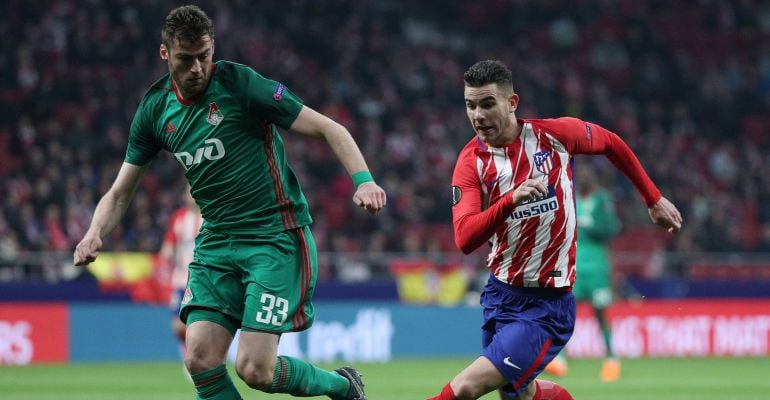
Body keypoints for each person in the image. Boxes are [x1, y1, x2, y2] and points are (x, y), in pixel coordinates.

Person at [73, 5, 386, 400]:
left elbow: (329, 127)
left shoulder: (241, 85)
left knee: (255, 369)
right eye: (186, 59)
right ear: (165, 53)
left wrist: (364, 180)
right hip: (216, 243)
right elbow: (120, 192)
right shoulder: (154, 111)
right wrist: (93, 233)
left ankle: (343, 387)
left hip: (274, 239)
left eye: (204, 56)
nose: (198, 68)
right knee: (200, 358)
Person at [426, 60, 682, 400]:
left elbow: (610, 143)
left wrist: (653, 198)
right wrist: (510, 201)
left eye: (487, 104)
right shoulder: (470, 162)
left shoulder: (554, 137)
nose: (478, 115)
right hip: (500, 295)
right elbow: (464, 238)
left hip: (547, 305)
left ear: (512, 103)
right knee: (518, 394)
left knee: (464, 388)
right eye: (470, 105)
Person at [543, 162, 622, 382]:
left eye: (587, 174)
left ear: (594, 178)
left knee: (600, 312)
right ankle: (560, 359)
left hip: (597, 266)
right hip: (574, 266)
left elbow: (613, 227)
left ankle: (611, 359)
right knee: (565, 312)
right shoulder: (571, 198)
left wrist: (591, 224)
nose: (583, 178)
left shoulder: (603, 199)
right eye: (581, 175)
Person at [157, 186, 202, 371]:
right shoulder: (179, 218)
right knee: (177, 324)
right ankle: (187, 353)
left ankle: (202, 357)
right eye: (188, 192)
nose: (190, 195)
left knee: (200, 324)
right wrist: (164, 259)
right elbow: (169, 244)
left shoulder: (210, 216)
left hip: (204, 279)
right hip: (181, 279)